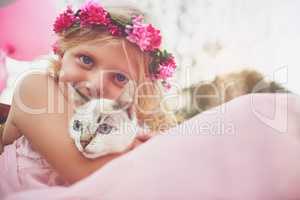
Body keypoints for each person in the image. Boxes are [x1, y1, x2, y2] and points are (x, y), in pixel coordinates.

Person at [0, 1, 177, 198]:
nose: (94, 84)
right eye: (86, 60)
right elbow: (86, 172)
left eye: (120, 78)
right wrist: (143, 153)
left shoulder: (125, 123)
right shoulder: (36, 88)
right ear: (62, 51)